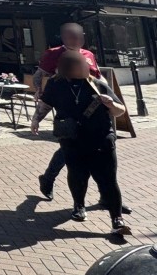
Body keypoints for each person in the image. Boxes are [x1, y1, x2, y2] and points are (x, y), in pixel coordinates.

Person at [31, 51, 130, 235]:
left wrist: (110, 104)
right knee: (77, 175)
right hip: (72, 138)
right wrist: (36, 119)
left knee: (107, 178)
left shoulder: (97, 83)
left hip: (100, 138)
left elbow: (120, 111)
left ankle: (117, 218)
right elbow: (46, 104)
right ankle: (79, 205)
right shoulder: (55, 84)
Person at [33, 22, 105, 201]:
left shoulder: (89, 54)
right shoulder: (53, 54)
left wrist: (109, 94)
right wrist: (40, 93)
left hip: (93, 108)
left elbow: (98, 77)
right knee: (70, 147)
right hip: (68, 106)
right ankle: (49, 178)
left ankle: (107, 194)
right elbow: (39, 76)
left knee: (101, 150)